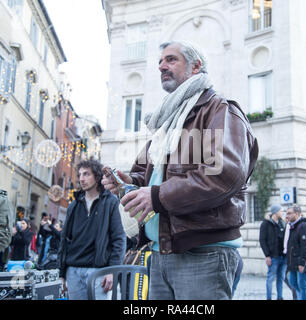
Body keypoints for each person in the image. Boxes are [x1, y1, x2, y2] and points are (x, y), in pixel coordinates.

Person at [102, 41, 259, 300]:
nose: (162, 66)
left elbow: (223, 174)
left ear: (196, 66)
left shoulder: (219, 109)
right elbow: (150, 177)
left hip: (204, 253)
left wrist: (155, 196)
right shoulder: (168, 121)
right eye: (160, 62)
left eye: (171, 60)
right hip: (162, 251)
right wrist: (127, 181)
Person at [58, 159, 126, 300]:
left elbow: (119, 239)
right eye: (80, 174)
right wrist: (62, 274)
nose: (82, 178)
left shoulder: (110, 202)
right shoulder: (73, 205)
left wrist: (112, 271)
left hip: (99, 271)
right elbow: (64, 241)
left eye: (86, 174)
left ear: (97, 176)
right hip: (73, 271)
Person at [259, 204, 287, 300]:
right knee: (270, 278)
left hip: (283, 256)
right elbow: (262, 240)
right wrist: (267, 255)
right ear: (276, 212)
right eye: (281, 211)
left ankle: (280, 297)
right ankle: (269, 298)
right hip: (273, 256)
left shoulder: (282, 223)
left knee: (281, 278)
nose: (283, 213)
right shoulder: (266, 224)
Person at [284, 205, 306, 300]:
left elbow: (305, 246)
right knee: (293, 283)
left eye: (289, 213)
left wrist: (302, 262)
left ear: (296, 214)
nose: (286, 216)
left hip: (301, 262)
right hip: (292, 262)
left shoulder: (303, 226)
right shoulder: (291, 226)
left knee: (303, 284)